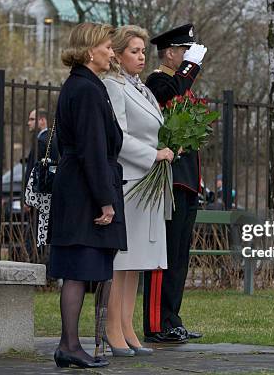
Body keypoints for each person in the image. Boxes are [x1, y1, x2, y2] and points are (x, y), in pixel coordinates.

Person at [47, 22, 126, 369]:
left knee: (79, 268)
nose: (112, 52)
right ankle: (69, 344)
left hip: (77, 185)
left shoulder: (81, 85)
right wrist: (105, 200)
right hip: (84, 190)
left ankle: (70, 344)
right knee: (79, 269)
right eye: (108, 47)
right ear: (90, 50)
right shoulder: (88, 89)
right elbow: (93, 149)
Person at [102, 25, 174, 357]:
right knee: (122, 262)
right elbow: (118, 136)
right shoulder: (114, 85)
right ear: (116, 54)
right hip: (130, 179)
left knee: (136, 263)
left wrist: (169, 146)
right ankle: (111, 329)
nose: (142, 56)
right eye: (134, 51)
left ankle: (128, 327)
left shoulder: (141, 87)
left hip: (149, 180)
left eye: (144, 51)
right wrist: (152, 153)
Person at [143, 24, 207, 344]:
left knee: (179, 256)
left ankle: (173, 318)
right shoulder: (157, 80)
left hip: (185, 181)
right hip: (166, 180)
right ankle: (157, 322)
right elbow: (169, 93)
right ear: (170, 52)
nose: (187, 56)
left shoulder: (179, 81)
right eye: (184, 50)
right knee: (163, 255)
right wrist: (190, 66)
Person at [23, 108, 58, 262]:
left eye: (32, 119)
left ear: (42, 120)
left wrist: (29, 197)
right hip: (48, 196)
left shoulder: (43, 140)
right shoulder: (52, 138)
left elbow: (34, 170)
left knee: (36, 232)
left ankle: (37, 265)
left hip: (40, 196)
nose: (28, 123)